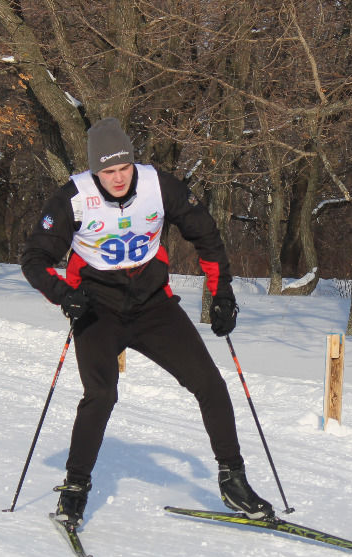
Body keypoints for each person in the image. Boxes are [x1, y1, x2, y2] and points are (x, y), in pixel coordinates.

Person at [20, 117, 274, 527]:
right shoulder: (73, 198)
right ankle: (75, 488)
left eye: (124, 168)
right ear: (94, 171)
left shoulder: (159, 185)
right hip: (96, 308)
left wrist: (221, 293)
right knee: (101, 395)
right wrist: (65, 296)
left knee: (209, 383)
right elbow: (34, 260)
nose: (118, 178)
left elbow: (205, 234)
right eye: (108, 171)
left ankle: (233, 479)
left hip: (154, 305)